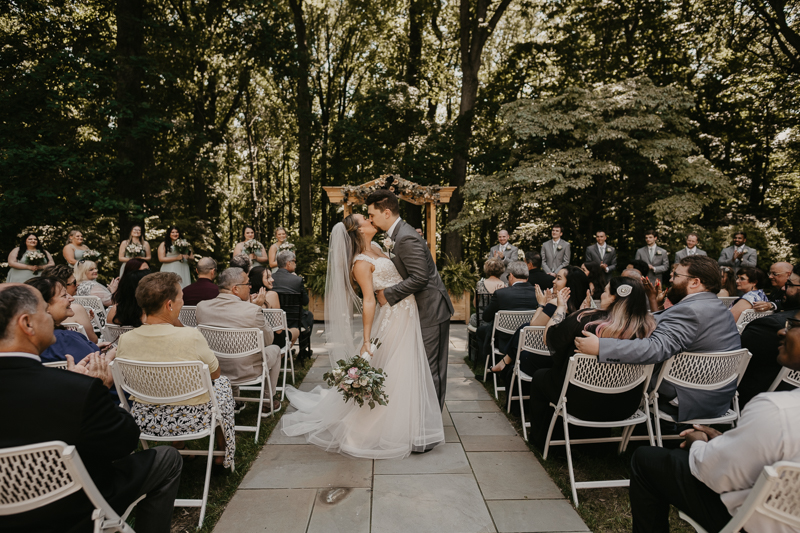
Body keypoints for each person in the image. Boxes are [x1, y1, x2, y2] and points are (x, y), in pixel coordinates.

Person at [0, 283, 182, 533]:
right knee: (167, 458)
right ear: (27, 324)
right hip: (76, 508)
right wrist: (94, 389)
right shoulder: (76, 391)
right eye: (45, 311)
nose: (49, 317)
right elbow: (124, 442)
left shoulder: (69, 387)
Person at [280, 213, 445, 459]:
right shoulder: (360, 262)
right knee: (395, 369)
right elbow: (369, 300)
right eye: (365, 220)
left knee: (407, 369)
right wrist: (367, 340)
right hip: (393, 317)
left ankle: (410, 423)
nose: (371, 220)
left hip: (409, 312)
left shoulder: (379, 246)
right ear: (358, 230)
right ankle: (376, 428)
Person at [628, 308, 800, 533]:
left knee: (646, 459)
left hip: (754, 523)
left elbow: (714, 474)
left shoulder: (778, 409)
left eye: (793, 325)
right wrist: (730, 441)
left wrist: (697, 443)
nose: (781, 331)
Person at [576, 255, 741, 422]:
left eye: (676, 276)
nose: (671, 280)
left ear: (695, 282)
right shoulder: (717, 306)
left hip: (687, 397)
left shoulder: (690, 311)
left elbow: (656, 348)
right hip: (715, 394)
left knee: (603, 373)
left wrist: (602, 347)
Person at [116, 272, 236, 470]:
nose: (183, 302)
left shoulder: (125, 339)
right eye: (181, 298)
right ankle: (223, 452)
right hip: (192, 420)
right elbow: (215, 374)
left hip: (146, 419)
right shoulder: (191, 337)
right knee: (223, 383)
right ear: (169, 305)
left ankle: (180, 445)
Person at [527, 278, 656, 448]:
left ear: (614, 298)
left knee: (540, 376)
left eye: (605, 291)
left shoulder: (584, 320)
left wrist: (561, 308)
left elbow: (549, 337)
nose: (601, 294)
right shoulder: (649, 328)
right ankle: (598, 444)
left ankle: (540, 439)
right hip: (625, 404)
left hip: (577, 402)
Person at [368, 189, 454, 409]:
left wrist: (387, 294)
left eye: (372, 215)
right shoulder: (394, 235)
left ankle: (429, 428)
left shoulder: (405, 236)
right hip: (419, 308)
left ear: (386, 212)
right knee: (421, 367)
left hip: (431, 309)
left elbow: (420, 278)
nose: (371, 219)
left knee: (431, 369)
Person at [195, 268, 283, 412]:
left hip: (215, 368)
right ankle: (268, 401)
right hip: (246, 370)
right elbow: (269, 340)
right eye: (247, 283)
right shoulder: (252, 310)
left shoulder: (202, 307)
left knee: (226, 347)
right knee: (276, 350)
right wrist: (255, 307)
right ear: (235, 289)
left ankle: (234, 400)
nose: (250, 287)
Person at [490, 265, 590, 377]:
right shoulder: (582, 307)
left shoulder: (556, 304)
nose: (554, 281)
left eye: (558, 278)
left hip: (546, 357)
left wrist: (541, 304)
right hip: (565, 360)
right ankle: (505, 363)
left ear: (570, 284)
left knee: (525, 328)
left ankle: (505, 363)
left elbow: (533, 326)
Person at [738, 264, 800, 406]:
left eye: (789, 284)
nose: (784, 288)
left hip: (757, 396)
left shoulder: (770, 326)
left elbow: (733, 353)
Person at [477, 261, 539, 372]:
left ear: (510, 276)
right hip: (528, 340)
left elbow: (486, 317)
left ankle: (489, 365)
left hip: (504, 340)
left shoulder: (501, 294)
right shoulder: (538, 294)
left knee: (481, 331)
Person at [26, 276, 104, 364]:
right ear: (45, 306)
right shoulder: (64, 339)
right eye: (64, 295)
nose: (72, 298)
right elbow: (97, 369)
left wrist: (89, 346)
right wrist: (111, 355)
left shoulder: (27, 341)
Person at [272, 250, 314, 360]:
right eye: (294, 261)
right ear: (288, 263)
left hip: (275, 321)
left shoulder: (270, 278)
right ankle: (303, 350)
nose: (295, 264)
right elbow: (305, 301)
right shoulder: (297, 280)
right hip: (294, 320)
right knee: (309, 316)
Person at [41, 264, 98, 343]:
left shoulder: (39, 307)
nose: (77, 284)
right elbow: (93, 340)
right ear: (61, 284)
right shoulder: (75, 309)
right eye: (74, 282)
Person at [249, 265, 299, 348]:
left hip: (253, 340)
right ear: (258, 280)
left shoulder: (247, 297)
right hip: (272, 340)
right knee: (296, 331)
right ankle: (279, 359)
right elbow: (278, 330)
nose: (272, 280)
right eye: (268, 277)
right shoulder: (272, 295)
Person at [469, 258, 507, 328]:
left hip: (481, 320)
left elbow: (475, 304)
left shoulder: (480, 284)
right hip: (498, 322)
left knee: (472, 317)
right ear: (502, 270)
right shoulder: (505, 286)